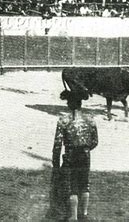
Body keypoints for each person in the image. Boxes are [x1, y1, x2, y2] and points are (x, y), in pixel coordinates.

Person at [52, 90, 98, 221]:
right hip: (85, 155)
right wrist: (85, 149)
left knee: (72, 186)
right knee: (84, 184)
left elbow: (57, 145)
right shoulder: (90, 119)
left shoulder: (64, 120)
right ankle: (84, 214)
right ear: (80, 103)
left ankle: (73, 217)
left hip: (70, 155)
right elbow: (95, 141)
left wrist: (56, 164)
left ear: (69, 103)